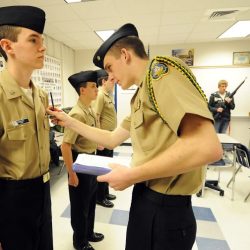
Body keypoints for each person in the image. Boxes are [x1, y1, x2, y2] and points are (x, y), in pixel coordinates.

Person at [47, 23, 223, 250]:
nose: (109, 77)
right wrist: (69, 120)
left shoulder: (161, 73)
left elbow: (206, 147)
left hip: (167, 208)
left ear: (125, 55)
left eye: (110, 68)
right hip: (147, 197)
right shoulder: (142, 94)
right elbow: (111, 138)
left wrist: (132, 175)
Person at [0, 5, 53, 250]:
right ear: (7, 46)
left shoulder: (39, 95)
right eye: (33, 40)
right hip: (11, 200)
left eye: (41, 40)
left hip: (43, 191)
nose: (42, 47)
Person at [61, 70, 104, 250]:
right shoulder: (77, 114)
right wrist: (71, 174)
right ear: (82, 90)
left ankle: (89, 233)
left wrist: (98, 143)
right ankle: (79, 242)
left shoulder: (89, 109)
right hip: (79, 163)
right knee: (80, 207)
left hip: (91, 161)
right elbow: (65, 146)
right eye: (93, 86)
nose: (97, 89)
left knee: (91, 201)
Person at [93, 69, 117, 208]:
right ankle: (100, 197)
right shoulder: (100, 95)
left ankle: (105, 192)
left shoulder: (107, 94)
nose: (114, 83)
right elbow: (96, 117)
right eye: (112, 80)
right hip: (104, 137)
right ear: (103, 81)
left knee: (108, 167)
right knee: (103, 168)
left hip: (110, 137)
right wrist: (99, 139)